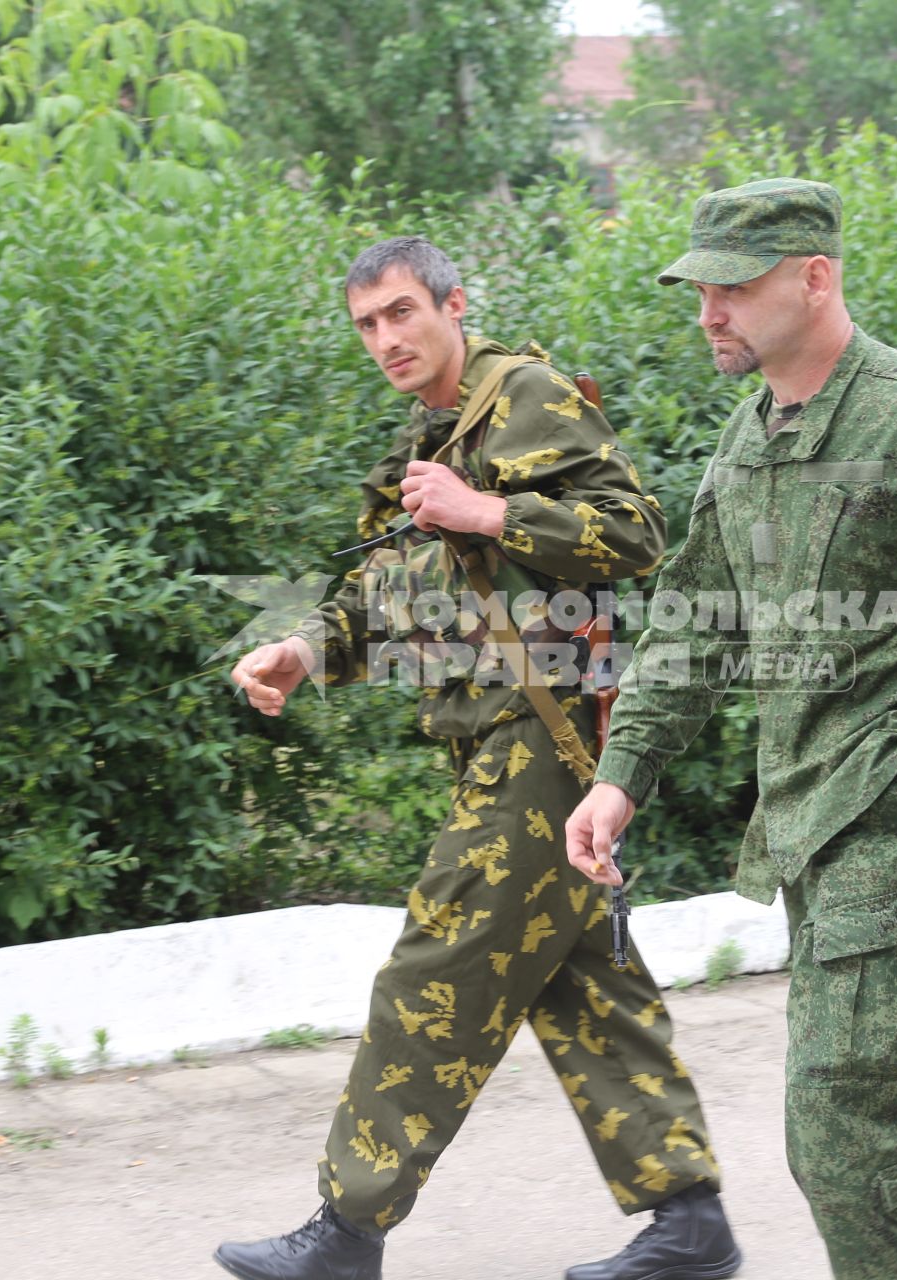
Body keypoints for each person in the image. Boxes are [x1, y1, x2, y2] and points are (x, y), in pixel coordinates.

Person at [565, 179, 897, 1280]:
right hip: (813, 820)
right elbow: (697, 625)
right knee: (896, 1117)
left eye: (734, 286)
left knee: (842, 1123)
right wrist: (621, 778)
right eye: (698, 288)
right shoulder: (750, 439)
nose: (709, 311)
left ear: (816, 277)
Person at [216, 237, 740, 1280]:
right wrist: (302, 647)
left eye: (403, 312)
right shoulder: (432, 437)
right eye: (368, 323)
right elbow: (386, 595)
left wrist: (490, 508)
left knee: (434, 972)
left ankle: (347, 1227)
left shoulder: (525, 397)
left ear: (454, 305)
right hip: (498, 753)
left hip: (541, 750)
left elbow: (635, 533)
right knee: (584, 984)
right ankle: (689, 1222)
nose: (387, 339)